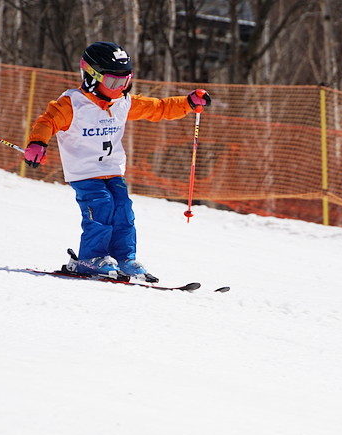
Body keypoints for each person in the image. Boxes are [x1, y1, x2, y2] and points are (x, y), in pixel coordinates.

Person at [24, 41, 211, 282]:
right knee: (101, 206)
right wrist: (37, 142)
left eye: (126, 81)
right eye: (114, 82)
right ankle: (92, 258)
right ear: (92, 76)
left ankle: (125, 258)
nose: (120, 88)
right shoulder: (72, 104)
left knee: (123, 209)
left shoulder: (123, 102)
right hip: (84, 171)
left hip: (112, 170)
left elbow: (159, 108)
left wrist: (187, 104)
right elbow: (47, 121)